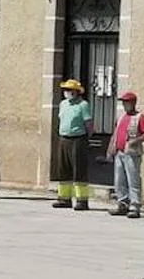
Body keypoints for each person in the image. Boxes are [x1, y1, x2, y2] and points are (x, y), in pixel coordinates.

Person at [52, 78, 93, 211]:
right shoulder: (63, 104)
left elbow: (88, 124)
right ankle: (64, 198)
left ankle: (82, 200)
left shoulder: (83, 105)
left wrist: (87, 137)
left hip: (78, 139)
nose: (67, 92)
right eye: (65, 90)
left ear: (76, 92)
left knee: (79, 170)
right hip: (64, 138)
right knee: (63, 169)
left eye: (69, 90)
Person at [109, 90, 144, 218]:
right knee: (119, 179)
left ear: (133, 103)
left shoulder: (140, 117)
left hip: (132, 153)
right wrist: (111, 147)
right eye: (123, 103)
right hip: (120, 152)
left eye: (126, 102)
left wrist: (135, 141)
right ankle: (122, 202)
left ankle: (135, 205)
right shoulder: (122, 117)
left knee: (133, 179)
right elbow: (116, 133)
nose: (124, 105)